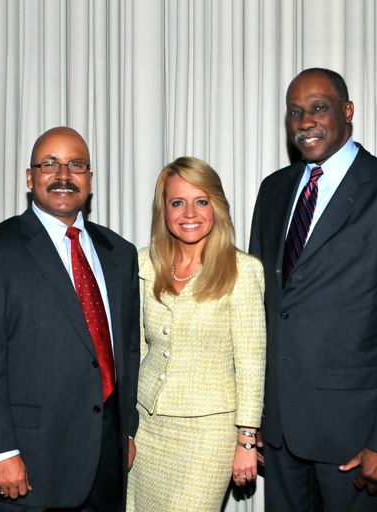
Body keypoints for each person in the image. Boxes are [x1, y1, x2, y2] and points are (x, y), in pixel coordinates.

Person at [249, 68, 377, 511]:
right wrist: (252, 417)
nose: (304, 122)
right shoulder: (273, 191)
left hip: (354, 439)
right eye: (295, 112)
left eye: (319, 108)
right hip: (278, 435)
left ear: (347, 111)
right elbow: (260, 311)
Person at [0, 126, 140, 511]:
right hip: (27, 461)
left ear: (89, 179)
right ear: (29, 177)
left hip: (106, 455)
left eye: (76, 165)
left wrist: (128, 432)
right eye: (49, 164)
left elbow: (127, 351)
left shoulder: (119, 253)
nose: (63, 175)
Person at [126, 156, 266, 512]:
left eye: (201, 201)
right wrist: (127, 426)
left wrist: (246, 440)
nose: (190, 212)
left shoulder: (242, 270)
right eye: (177, 202)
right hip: (148, 427)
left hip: (208, 435)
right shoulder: (144, 263)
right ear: (164, 211)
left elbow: (251, 361)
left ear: (216, 206)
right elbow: (136, 347)